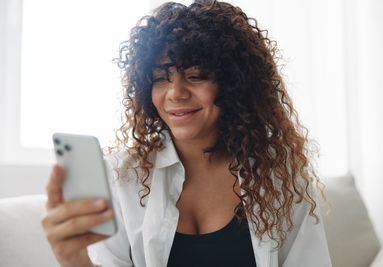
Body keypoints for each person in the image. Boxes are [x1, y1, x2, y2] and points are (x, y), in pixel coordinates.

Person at [42, 1, 332, 266]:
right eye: (159, 79)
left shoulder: (280, 175)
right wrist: (74, 261)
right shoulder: (123, 176)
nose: (175, 93)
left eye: (195, 76)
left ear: (234, 84)